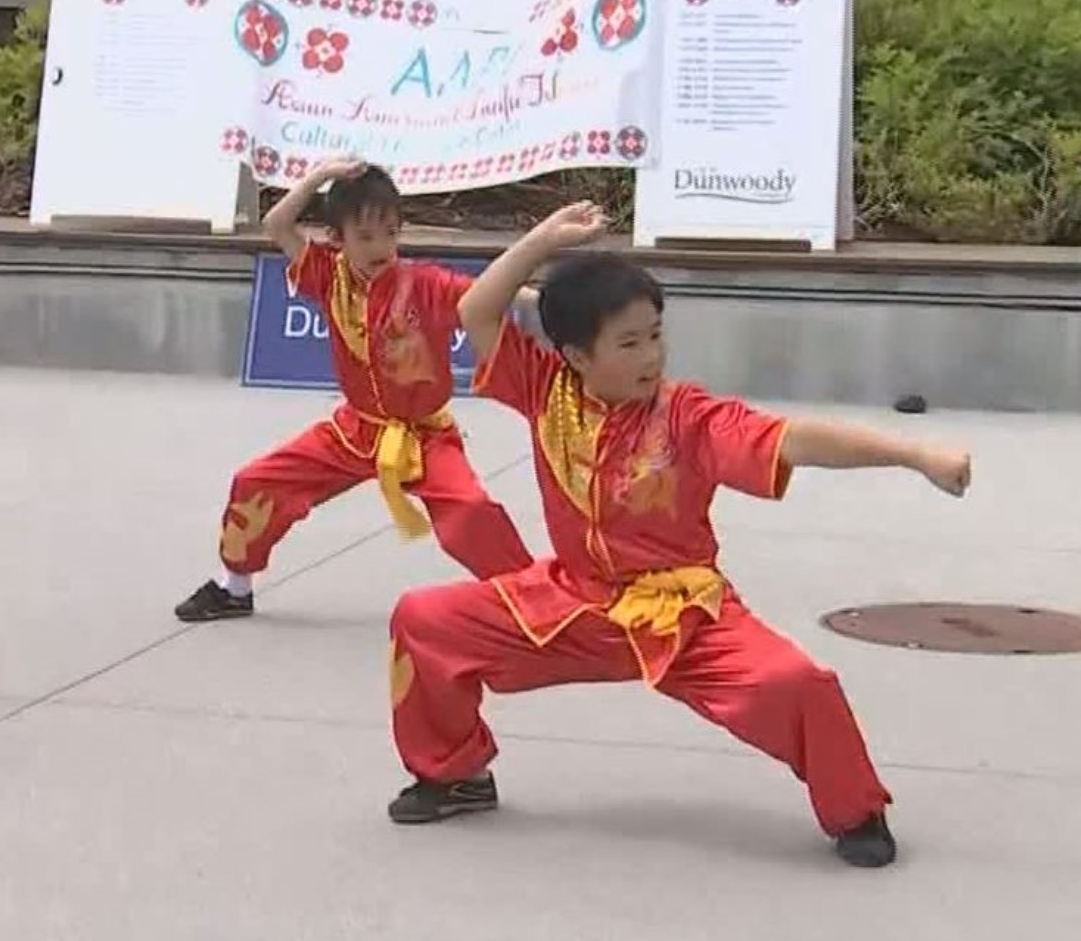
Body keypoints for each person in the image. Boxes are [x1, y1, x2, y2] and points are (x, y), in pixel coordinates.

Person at [384, 202, 973, 867]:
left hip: (683, 611)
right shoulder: (546, 388)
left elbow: (794, 439)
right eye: (629, 343)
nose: (652, 356)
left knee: (797, 683)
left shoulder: (688, 416)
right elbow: (474, 313)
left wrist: (914, 455)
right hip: (573, 603)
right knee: (425, 620)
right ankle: (456, 774)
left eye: (656, 335)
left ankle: (857, 812)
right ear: (576, 356)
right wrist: (544, 239)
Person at [176, 157, 536, 623]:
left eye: (390, 233)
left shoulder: (424, 284)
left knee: (470, 512)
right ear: (337, 240)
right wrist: (321, 175)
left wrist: (545, 300)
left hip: (422, 437)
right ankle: (235, 588)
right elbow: (277, 223)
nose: (381, 247)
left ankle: (530, 599)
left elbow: (485, 293)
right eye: (365, 237)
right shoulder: (326, 276)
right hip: (353, 430)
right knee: (257, 482)